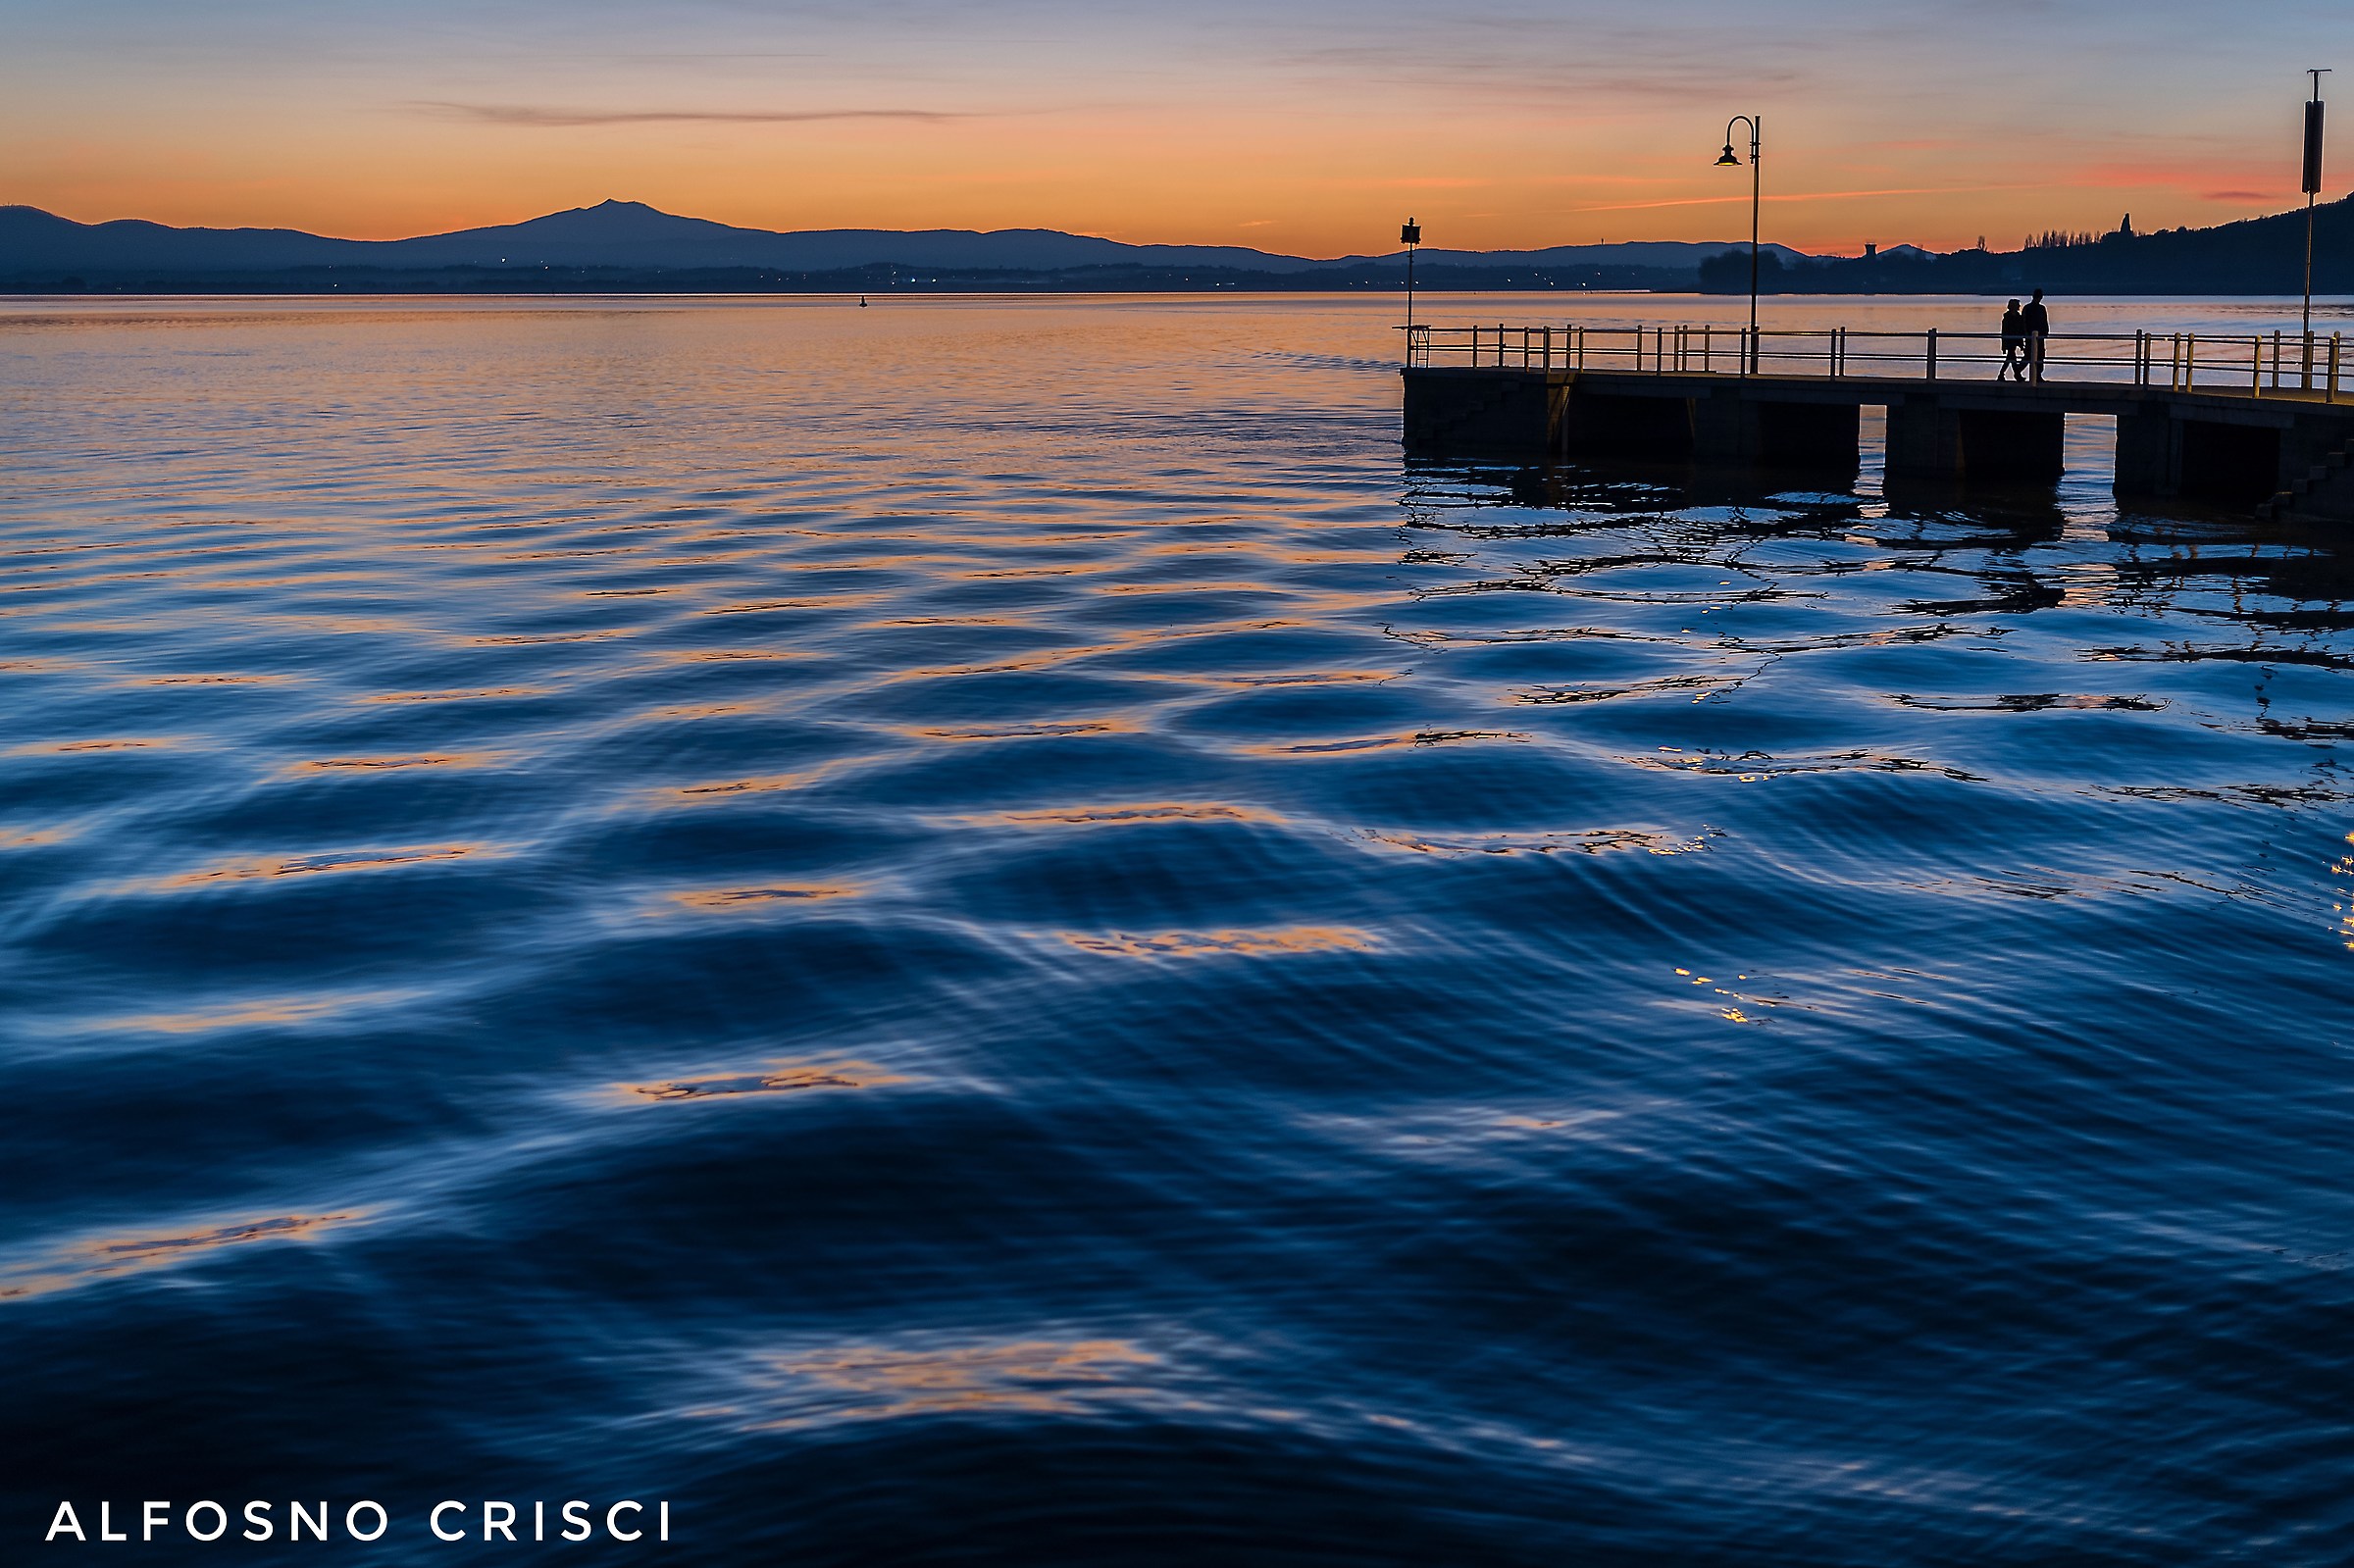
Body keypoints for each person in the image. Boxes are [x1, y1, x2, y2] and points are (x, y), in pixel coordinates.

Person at [2021, 287, 2051, 382]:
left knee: (2039, 356)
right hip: (2032, 336)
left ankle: (2037, 375)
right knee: (2030, 356)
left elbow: (2045, 322)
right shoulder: (2030, 308)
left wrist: (2045, 332)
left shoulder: (2039, 308)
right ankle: (2019, 371)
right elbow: (2024, 322)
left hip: (2038, 336)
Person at [1998, 299, 2027, 381]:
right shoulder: (2007, 318)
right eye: (2018, 304)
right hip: (2009, 340)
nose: (2019, 306)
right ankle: (2017, 375)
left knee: (2010, 358)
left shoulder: (2018, 317)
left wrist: (2021, 343)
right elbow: (2004, 331)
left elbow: (2021, 330)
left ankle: (2002, 374)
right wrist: (2003, 345)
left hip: (2015, 339)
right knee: (2012, 357)